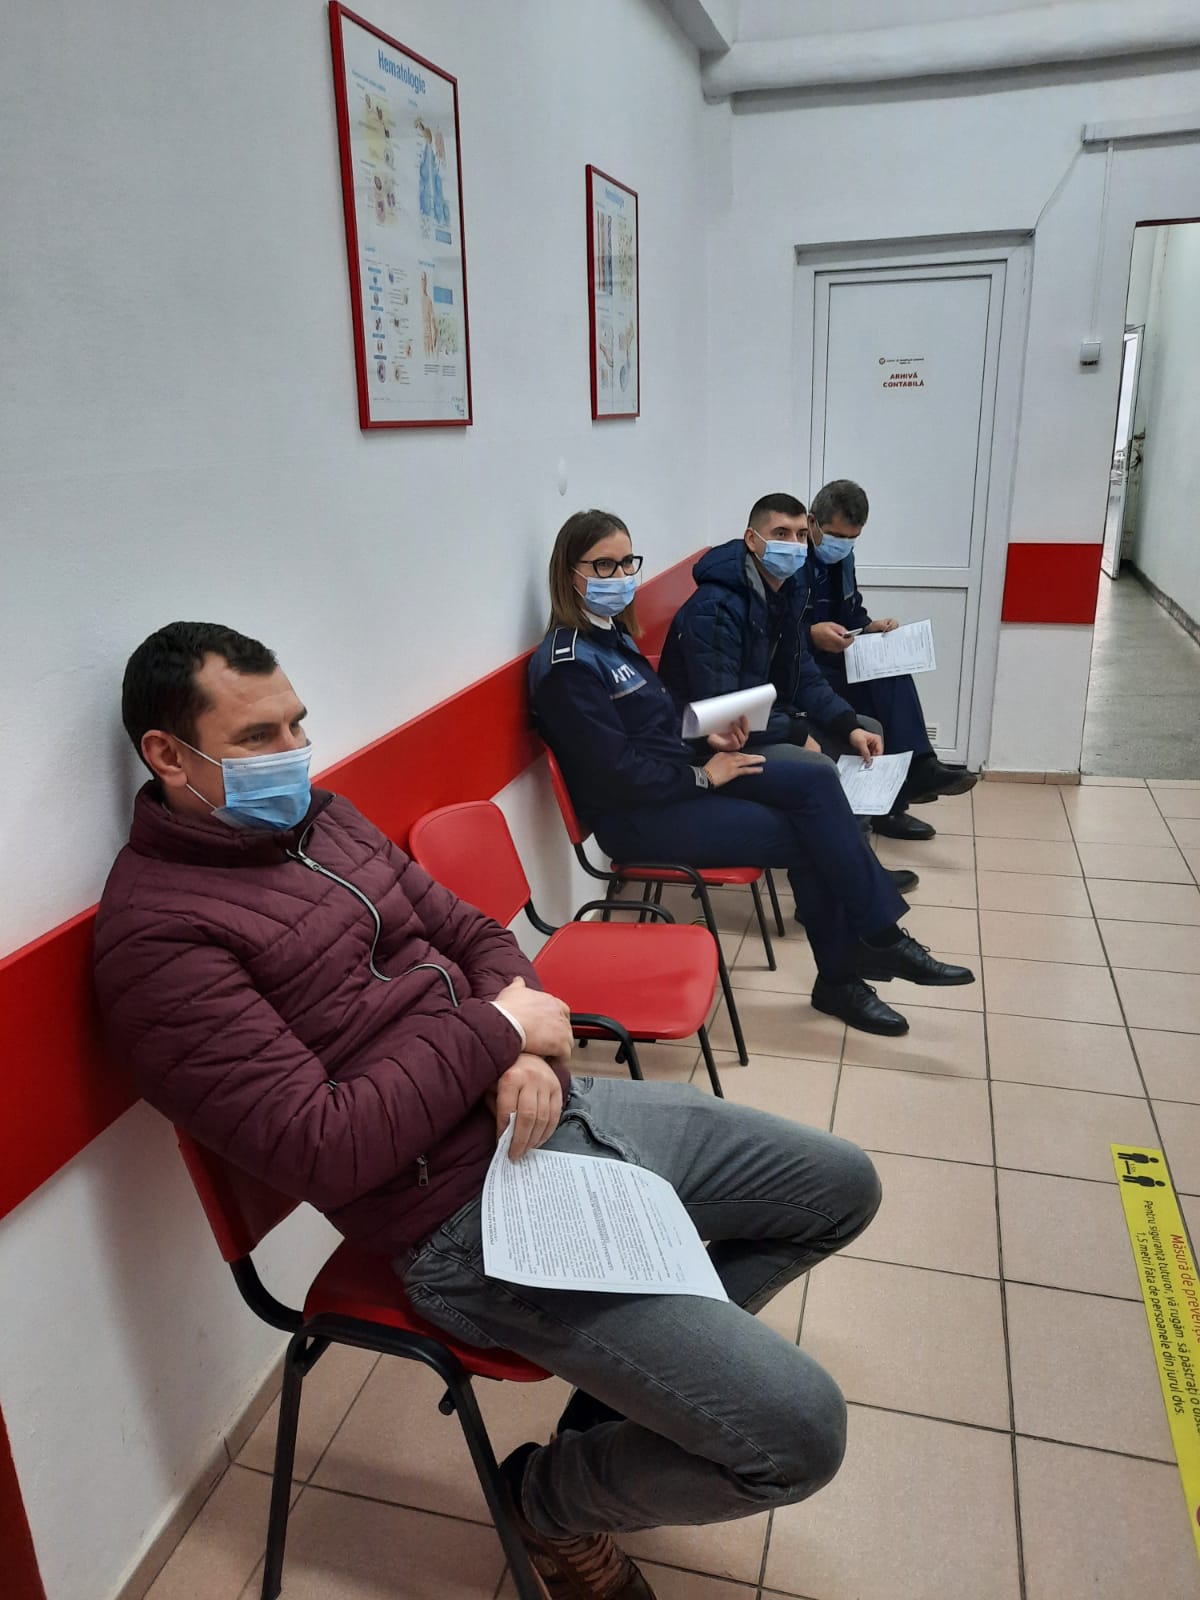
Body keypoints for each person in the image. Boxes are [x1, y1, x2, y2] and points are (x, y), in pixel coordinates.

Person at [94, 620, 887, 1600]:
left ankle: (629, 1397)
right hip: (458, 1218)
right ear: (169, 755)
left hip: (554, 1110)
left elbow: (473, 934)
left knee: (841, 1187)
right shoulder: (158, 941)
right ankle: (546, 1502)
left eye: (297, 724)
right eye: (258, 737)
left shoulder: (326, 822)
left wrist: (528, 1047)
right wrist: (497, 1033)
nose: (293, 752)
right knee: (799, 1435)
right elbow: (324, 1145)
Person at [528, 510, 976, 1044]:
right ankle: (852, 966)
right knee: (810, 835)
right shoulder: (568, 665)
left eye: (627, 562)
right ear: (569, 573)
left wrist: (704, 734)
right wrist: (704, 776)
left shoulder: (609, 636)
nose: (621, 576)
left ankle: (875, 941)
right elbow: (615, 774)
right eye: (604, 565)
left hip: (678, 776)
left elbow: (654, 722)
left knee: (815, 783)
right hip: (640, 817)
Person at [656, 491, 917, 899]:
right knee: (817, 767)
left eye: (799, 535)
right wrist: (796, 733)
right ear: (752, 539)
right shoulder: (715, 607)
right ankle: (842, 881)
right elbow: (722, 709)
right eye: (780, 533)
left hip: (761, 721)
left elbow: (803, 674)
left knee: (865, 730)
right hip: (712, 744)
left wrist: (846, 724)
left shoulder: (786, 591)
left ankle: (854, 864)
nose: (793, 544)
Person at [807, 479, 978, 841]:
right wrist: (810, 633)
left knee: (891, 670)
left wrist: (868, 626)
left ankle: (919, 768)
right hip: (801, 664)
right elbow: (773, 628)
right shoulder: (792, 558)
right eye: (837, 536)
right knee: (874, 707)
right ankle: (894, 799)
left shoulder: (843, 558)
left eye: (852, 538)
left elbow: (850, 609)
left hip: (835, 655)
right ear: (812, 523)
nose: (843, 545)